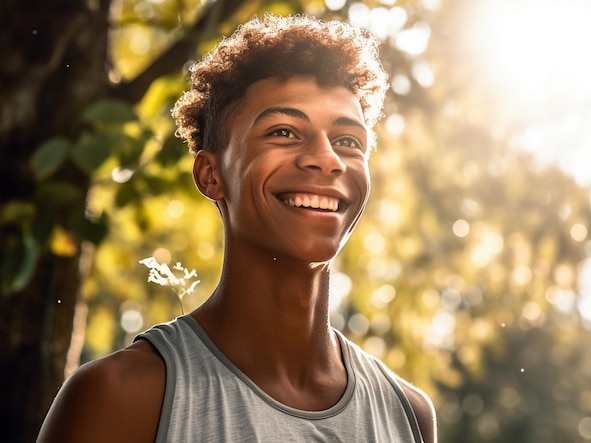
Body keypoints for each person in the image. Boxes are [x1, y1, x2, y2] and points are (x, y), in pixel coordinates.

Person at [38, 13, 437, 443]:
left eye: (348, 141)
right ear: (211, 175)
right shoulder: (122, 398)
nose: (328, 159)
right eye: (284, 132)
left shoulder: (408, 415)